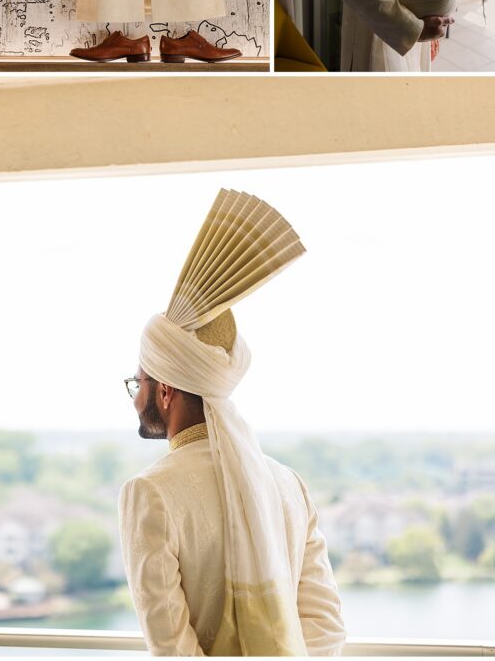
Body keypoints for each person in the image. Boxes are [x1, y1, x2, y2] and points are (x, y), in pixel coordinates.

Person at [119, 191, 345, 657]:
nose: (136, 395)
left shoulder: (150, 493)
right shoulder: (287, 484)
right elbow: (325, 627)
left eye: (137, 382)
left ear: (165, 390)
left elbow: (172, 647)